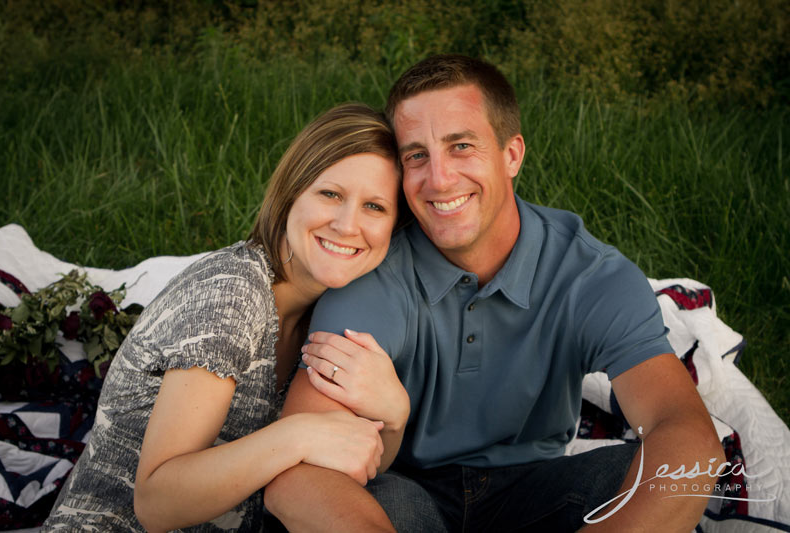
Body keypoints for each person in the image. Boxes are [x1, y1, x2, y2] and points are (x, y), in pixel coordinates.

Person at [263, 55, 725, 532]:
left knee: (641, 477)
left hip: (538, 487)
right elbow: (297, 471)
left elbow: (685, 431)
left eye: (461, 146)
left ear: (512, 155)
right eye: (416, 155)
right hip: (404, 490)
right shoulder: (371, 274)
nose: (439, 179)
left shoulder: (590, 276)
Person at [42, 103, 410, 532]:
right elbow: (157, 503)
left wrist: (395, 413)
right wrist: (300, 435)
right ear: (292, 192)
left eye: (375, 207)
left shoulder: (330, 310)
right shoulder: (231, 294)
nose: (348, 225)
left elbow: (356, 463)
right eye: (330, 194)